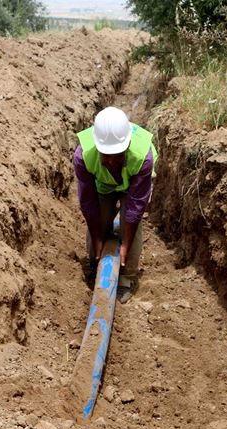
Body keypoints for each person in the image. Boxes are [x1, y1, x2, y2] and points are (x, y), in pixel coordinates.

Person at [73, 107, 158, 303]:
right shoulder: (83, 156)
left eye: (117, 154)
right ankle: (96, 266)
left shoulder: (143, 157)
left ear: (127, 146)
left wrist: (126, 244)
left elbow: (135, 208)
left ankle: (127, 276)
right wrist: (97, 238)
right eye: (106, 155)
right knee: (99, 222)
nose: (111, 161)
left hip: (133, 184)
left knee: (131, 224)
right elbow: (88, 203)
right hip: (103, 185)